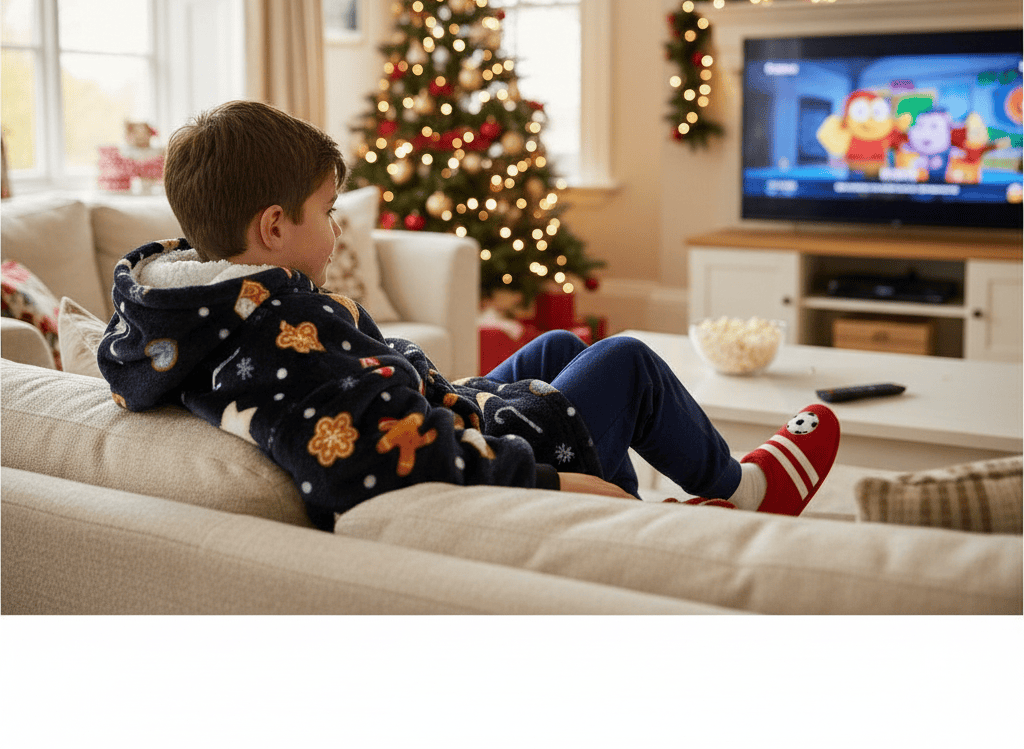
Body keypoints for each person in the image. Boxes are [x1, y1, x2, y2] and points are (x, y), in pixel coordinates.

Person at [98, 100, 841, 531]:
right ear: (272, 228)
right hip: (479, 450)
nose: (335, 228)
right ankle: (746, 494)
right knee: (629, 362)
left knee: (552, 346)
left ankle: (658, 505)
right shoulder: (282, 336)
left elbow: (368, 398)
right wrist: (555, 485)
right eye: (327, 211)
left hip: (443, 405)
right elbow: (373, 456)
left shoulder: (194, 315)